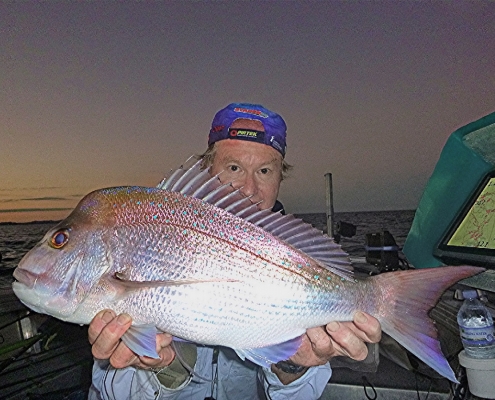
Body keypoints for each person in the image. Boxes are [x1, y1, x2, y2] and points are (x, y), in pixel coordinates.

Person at [88, 103, 382, 399]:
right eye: (233, 168)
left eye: (265, 171)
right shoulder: (148, 232)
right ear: (206, 170)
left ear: (280, 179)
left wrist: (294, 366)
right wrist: (162, 367)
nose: (249, 189)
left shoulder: (299, 256)